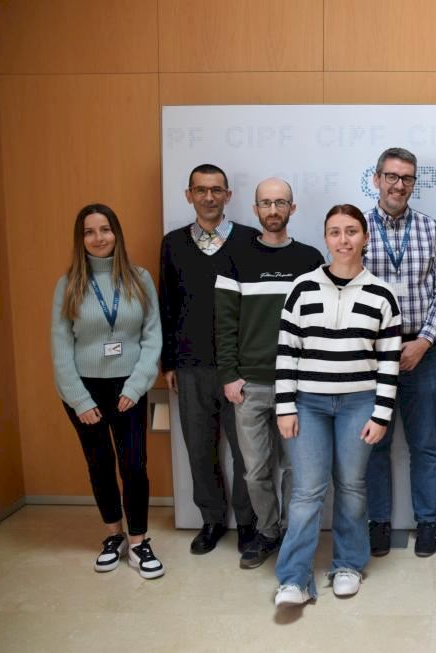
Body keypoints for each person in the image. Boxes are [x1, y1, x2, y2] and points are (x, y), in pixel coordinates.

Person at [273, 204, 401, 607]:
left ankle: (347, 565)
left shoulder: (382, 294)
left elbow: (389, 361)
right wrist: (285, 406)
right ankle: (293, 578)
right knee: (307, 492)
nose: (343, 240)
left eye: (351, 231)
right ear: (326, 238)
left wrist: (381, 414)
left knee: (351, 487)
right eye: (334, 232)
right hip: (307, 404)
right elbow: (287, 352)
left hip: (359, 404)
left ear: (365, 237)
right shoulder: (302, 288)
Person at [215, 178, 325, 570]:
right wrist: (229, 374)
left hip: (298, 384)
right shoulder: (234, 258)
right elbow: (224, 322)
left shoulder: (310, 259)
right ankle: (268, 532)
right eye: (266, 203)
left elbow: (319, 323)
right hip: (251, 384)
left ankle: (295, 535)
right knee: (256, 470)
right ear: (255, 209)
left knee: (298, 469)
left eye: (280, 203)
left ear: (292, 209)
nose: (273, 210)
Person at [51, 203, 164, 579]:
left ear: (116, 233)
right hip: (84, 390)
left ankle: (139, 541)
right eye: (89, 231)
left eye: (105, 229)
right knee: (99, 464)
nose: (98, 238)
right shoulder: (69, 284)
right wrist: (79, 399)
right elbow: (60, 346)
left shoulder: (139, 279)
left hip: (129, 386)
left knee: (133, 465)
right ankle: (114, 535)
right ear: (80, 239)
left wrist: (137, 384)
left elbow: (153, 335)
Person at [160, 163, 259, 555]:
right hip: (191, 364)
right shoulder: (173, 244)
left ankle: (248, 523)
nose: (209, 197)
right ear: (189, 195)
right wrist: (169, 362)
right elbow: (167, 304)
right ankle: (212, 520)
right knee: (199, 449)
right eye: (200, 190)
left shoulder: (249, 240)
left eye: (216, 190)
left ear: (228, 195)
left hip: (239, 366)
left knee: (247, 450)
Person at [364, 147, 436, 557]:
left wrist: (424, 341)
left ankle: (427, 522)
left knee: (425, 443)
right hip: (370, 354)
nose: (399, 185)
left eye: (407, 178)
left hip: (424, 350)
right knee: (375, 442)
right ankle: (378, 522)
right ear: (377, 179)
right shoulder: (358, 228)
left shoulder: (432, 229)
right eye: (392, 176)